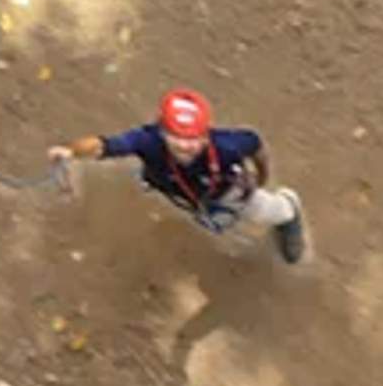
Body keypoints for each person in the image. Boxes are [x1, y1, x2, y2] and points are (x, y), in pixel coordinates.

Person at [53, 89, 307, 264]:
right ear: (162, 130)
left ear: (206, 135)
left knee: (266, 210)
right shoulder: (148, 140)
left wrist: (262, 177)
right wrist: (71, 152)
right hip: (181, 191)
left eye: (193, 137)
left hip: (228, 192)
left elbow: (256, 146)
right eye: (177, 136)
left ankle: (289, 209)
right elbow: (103, 146)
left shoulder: (228, 146)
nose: (186, 146)